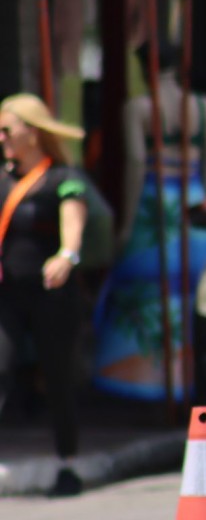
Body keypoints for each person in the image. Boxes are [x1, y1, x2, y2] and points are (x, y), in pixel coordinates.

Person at [93, 40, 206, 401]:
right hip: (193, 198)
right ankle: (190, 379)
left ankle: (144, 380)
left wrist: (128, 221)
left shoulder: (137, 108)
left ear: (141, 67)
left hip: (154, 203)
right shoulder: (204, 107)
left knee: (142, 287)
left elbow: (136, 162)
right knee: (192, 291)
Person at [0, 94, 89, 497]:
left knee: (56, 378)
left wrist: (67, 254)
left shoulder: (62, 178)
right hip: (9, 295)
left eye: (6, 130)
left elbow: (74, 217)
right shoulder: (3, 180)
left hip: (51, 294)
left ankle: (67, 464)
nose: (0, 138)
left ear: (31, 133)